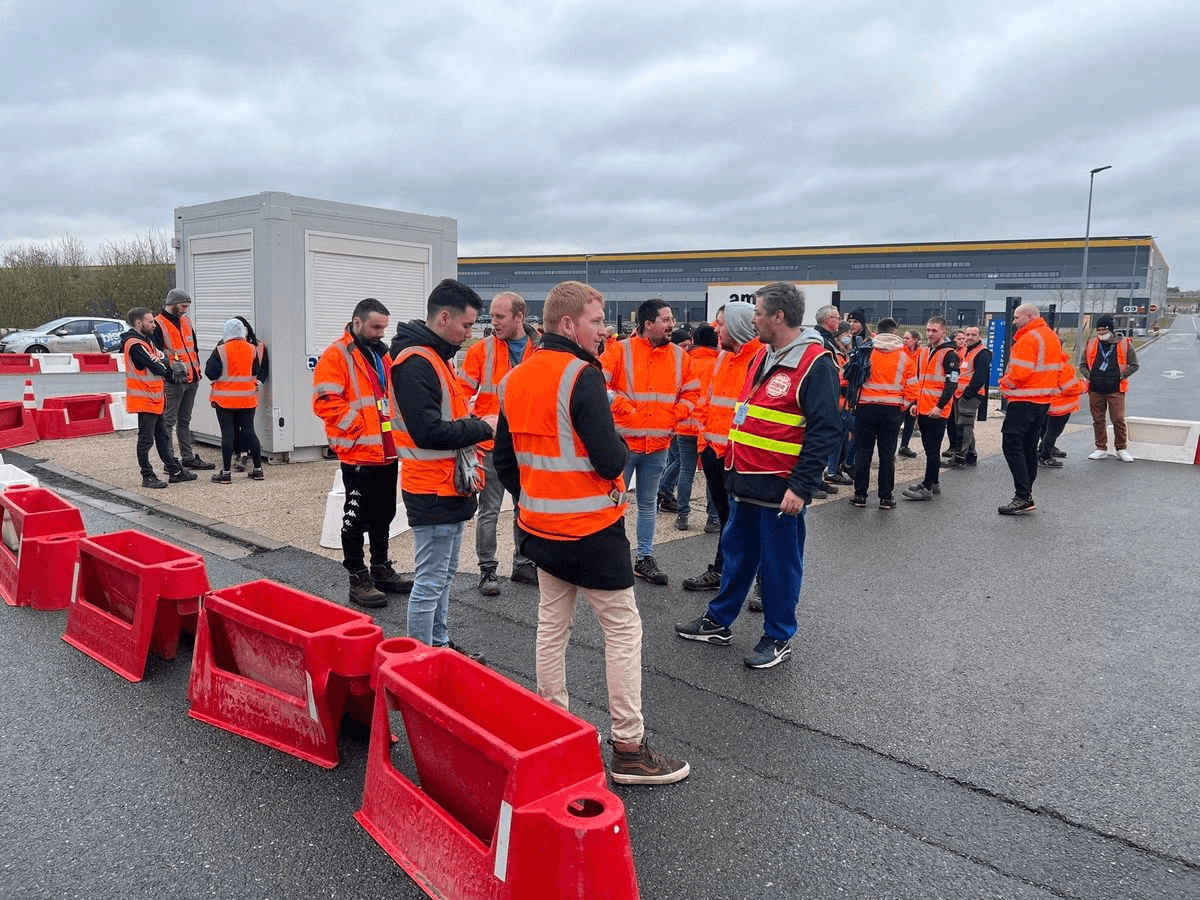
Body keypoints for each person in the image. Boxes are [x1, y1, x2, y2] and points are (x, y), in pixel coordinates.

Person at [493, 280, 690, 785]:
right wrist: (622, 457)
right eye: (597, 322)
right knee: (622, 630)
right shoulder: (582, 376)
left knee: (551, 627)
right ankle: (629, 748)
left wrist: (533, 501)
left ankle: (551, 731)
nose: (604, 331)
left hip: (540, 528)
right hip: (592, 531)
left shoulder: (514, 379)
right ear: (568, 325)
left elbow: (504, 461)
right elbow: (607, 459)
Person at [676, 282, 841, 669]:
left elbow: (826, 429)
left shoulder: (815, 362)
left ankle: (778, 636)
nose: (754, 319)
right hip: (745, 477)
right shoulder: (763, 356)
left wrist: (801, 487)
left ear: (778, 317)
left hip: (780, 486)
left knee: (779, 565)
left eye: (759, 312)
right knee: (737, 555)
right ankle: (719, 621)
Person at [391, 279, 493, 659]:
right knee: (431, 580)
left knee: (442, 577)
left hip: (447, 485)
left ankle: (438, 647)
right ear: (445, 317)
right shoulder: (417, 362)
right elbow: (428, 431)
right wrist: (484, 426)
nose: (469, 334)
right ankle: (420, 662)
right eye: (467, 326)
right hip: (432, 487)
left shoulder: (434, 358)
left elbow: (443, 420)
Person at [313, 298, 413, 608]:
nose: (381, 333)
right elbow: (325, 401)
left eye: (384, 327)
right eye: (375, 327)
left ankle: (380, 568)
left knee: (384, 513)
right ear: (357, 323)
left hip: (385, 451)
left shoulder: (378, 354)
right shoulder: (336, 355)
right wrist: (357, 426)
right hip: (358, 454)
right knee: (355, 518)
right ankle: (357, 576)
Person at [601, 299, 699, 586]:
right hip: (624, 444)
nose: (672, 325)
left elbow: (692, 394)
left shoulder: (681, 358)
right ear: (648, 324)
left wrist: (673, 418)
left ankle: (644, 558)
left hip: (658, 445)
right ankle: (609, 558)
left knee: (647, 504)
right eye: (666, 320)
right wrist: (622, 407)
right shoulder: (619, 351)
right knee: (613, 504)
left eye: (671, 320)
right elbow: (597, 383)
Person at [458, 291, 539, 597]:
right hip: (492, 447)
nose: (493, 323)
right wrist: (477, 424)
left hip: (527, 445)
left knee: (525, 508)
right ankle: (487, 569)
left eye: (499, 317)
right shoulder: (481, 351)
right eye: (491, 316)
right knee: (489, 510)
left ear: (519, 317)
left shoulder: (539, 349)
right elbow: (460, 394)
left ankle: (522, 564)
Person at [681, 303, 763, 592]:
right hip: (716, 454)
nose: (715, 329)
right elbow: (708, 401)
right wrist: (704, 442)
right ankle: (721, 570)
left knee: (753, 522)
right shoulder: (723, 358)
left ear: (739, 326)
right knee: (728, 520)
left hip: (741, 457)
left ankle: (762, 585)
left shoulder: (761, 360)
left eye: (721, 324)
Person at [997, 303, 1063, 515]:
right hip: (1041, 401)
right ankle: (1026, 494)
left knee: (1011, 444)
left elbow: (1019, 373)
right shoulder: (1050, 336)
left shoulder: (1029, 337)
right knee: (1028, 448)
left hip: (1024, 400)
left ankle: (1022, 496)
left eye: (1017, 318)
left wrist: (1004, 383)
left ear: (1028, 316)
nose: (1014, 322)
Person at [120, 307, 196, 490]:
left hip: (154, 399)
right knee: (146, 440)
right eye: (150, 322)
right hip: (145, 399)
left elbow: (161, 358)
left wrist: (172, 365)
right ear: (139, 323)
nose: (154, 325)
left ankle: (174, 471)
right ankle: (147, 475)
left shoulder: (146, 341)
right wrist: (171, 374)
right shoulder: (135, 344)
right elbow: (154, 364)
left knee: (162, 437)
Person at [849, 317, 917, 510]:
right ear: (895, 332)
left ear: (877, 332)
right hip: (892, 411)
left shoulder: (866, 352)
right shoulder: (905, 357)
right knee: (887, 455)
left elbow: (849, 379)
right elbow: (912, 388)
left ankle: (860, 495)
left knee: (863, 454)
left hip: (866, 409)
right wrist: (901, 405)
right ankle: (886, 497)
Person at [657, 323, 719, 531]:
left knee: (686, 469)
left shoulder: (685, 361)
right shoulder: (719, 363)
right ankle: (713, 518)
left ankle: (682, 516)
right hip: (707, 425)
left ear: (694, 341)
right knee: (712, 475)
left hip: (684, 422)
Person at [153, 289, 215, 471]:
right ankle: (170, 460)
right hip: (174, 380)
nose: (185, 310)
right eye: (183, 306)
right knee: (168, 421)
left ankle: (187, 457)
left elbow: (192, 348)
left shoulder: (186, 321)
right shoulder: (158, 324)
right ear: (172, 303)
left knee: (184, 420)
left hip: (191, 378)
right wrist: (171, 365)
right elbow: (155, 352)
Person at [902, 318, 959, 501]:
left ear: (943, 331)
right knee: (928, 448)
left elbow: (952, 384)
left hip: (936, 410)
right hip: (924, 408)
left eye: (934, 330)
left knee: (933, 449)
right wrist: (916, 404)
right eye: (928, 330)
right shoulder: (925, 352)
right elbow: (921, 382)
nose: (930, 334)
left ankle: (927, 487)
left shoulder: (950, 354)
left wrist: (940, 406)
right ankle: (932, 481)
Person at [205, 318, 263, 484]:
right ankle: (258, 470)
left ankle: (226, 473)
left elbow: (211, 372)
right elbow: (256, 371)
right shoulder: (252, 349)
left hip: (225, 400)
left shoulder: (221, 350)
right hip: (247, 399)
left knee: (228, 434)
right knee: (250, 432)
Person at [1080, 314, 1140, 462]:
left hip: (1115, 390)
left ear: (1111, 330)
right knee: (1098, 419)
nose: (1100, 332)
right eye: (1098, 330)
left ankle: (1121, 448)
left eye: (1103, 329)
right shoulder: (1091, 344)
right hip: (1095, 389)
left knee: (1118, 418)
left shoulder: (1125, 344)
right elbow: (1082, 364)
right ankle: (1100, 448)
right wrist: (1090, 376)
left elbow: (1134, 364)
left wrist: (1122, 375)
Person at [949, 325, 992, 468]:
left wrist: (968, 393)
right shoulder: (968, 351)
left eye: (973, 335)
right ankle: (970, 454)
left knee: (963, 426)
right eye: (967, 334)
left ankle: (960, 457)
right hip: (961, 393)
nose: (969, 337)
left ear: (979, 337)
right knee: (964, 426)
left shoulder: (982, 352)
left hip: (969, 395)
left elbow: (980, 376)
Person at [231, 315, 268, 473]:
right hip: (231, 394)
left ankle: (244, 455)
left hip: (249, 393)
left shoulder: (258, 346)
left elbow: (264, 367)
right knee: (233, 427)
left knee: (246, 427)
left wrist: (259, 382)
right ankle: (238, 453)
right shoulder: (228, 345)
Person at [1038, 350, 1086, 468]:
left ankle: (1044, 450)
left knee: (1046, 429)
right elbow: (1071, 388)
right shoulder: (1064, 368)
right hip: (1061, 405)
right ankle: (1045, 457)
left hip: (1047, 403)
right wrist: (1084, 385)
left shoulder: (1044, 364)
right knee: (1053, 431)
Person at [897, 329, 922, 458]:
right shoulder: (901, 351)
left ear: (915, 339)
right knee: (897, 421)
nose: (904, 340)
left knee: (910, 421)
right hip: (901, 392)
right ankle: (892, 448)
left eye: (907, 338)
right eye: (904, 338)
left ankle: (904, 446)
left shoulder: (921, 353)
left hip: (915, 392)